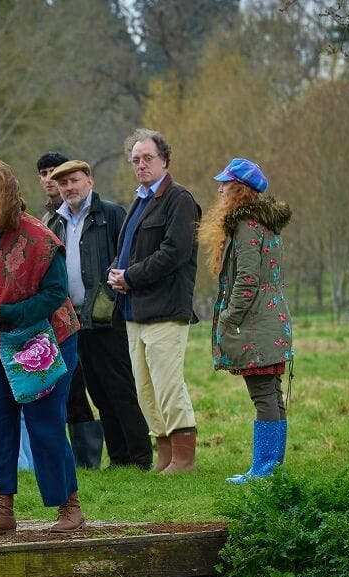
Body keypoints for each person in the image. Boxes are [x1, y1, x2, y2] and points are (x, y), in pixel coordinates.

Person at [0, 157, 83, 534]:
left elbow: (57, 294)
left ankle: (69, 508)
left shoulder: (40, 238)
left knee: (45, 424)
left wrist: (7, 313)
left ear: (7, 197)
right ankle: (2, 509)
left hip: (46, 342)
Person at [107, 128, 202, 473]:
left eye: (148, 158)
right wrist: (115, 272)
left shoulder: (180, 199)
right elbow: (128, 252)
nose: (141, 165)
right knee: (145, 390)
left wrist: (129, 277)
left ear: (164, 159)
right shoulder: (140, 200)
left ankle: (184, 458)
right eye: (136, 160)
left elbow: (174, 253)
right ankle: (165, 455)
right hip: (134, 312)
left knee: (167, 384)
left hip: (165, 310)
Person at [47, 159, 153, 470]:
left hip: (108, 317)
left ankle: (141, 456)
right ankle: (119, 458)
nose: (69, 188)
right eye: (64, 183)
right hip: (74, 321)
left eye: (75, 180)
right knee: (98, 392)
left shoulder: (110, 213)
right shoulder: (56, 222)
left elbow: (128, 254)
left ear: (89, 181)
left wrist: (112, 291)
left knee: (120, 388)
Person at [201, 158, 293, 483]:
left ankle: (265, 471)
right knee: (271, 394)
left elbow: (247, 280)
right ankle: (272, 470)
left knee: (264, 396)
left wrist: (229, 317)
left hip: (256, 326)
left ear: (240, 189)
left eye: (225, 184)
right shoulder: (265, 223)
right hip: (271, 322)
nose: (220, 188)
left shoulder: (246, 226)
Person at [36, 151, 68, 228]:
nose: (48, 179)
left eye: (54, 172)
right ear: (40, 179)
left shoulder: (76, 212)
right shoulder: (45, 220)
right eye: (44, 174)